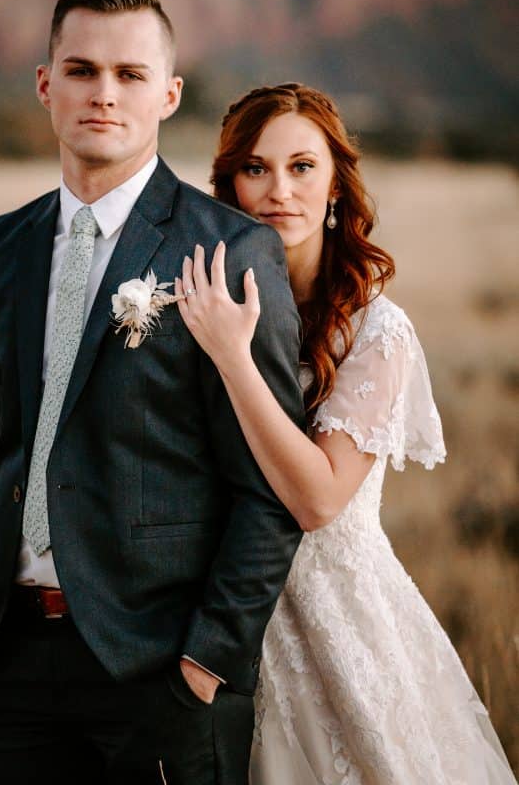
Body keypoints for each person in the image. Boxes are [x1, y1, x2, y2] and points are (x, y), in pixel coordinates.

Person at [0, 0, 306, 784]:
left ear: (168, 95)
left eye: (129, 74)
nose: (103, 94)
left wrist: (207, 660)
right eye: (81, 70)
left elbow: (268, 486)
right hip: (13, 664)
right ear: (46, 85)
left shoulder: (230, 250)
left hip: (160, 669)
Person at [176, 82, 517, 784]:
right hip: (223, 612)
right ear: (229, 184)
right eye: (255, 168)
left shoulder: (376, 330)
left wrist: (233, 358)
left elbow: (318, 500)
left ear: (335, 185)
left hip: (338, 621)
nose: (279, 190)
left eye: (302, 167)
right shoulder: (207, 300)